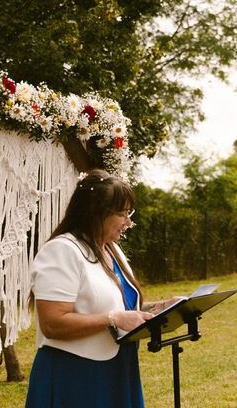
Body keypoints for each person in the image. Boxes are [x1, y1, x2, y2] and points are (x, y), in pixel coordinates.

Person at [25, 169, 178, 408]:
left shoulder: (110, 249)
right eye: (122, 214)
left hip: (118, 369)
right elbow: (52, 323)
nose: (128, 222)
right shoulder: (62, 250)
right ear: (96, 212)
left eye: (129, 213)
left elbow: (121, 310)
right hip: (76, 375)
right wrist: (113, 319)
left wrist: (162, 307)